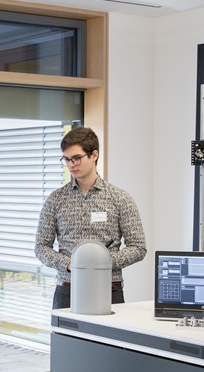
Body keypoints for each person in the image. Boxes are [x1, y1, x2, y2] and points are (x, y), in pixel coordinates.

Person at [34, 126, 146, 310]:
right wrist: (69, 264)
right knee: (66, 340)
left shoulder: (120, 198)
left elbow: (138, 247)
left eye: (77, 158)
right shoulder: (56, 200)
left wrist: (105, 262)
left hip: (110, 290)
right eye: (67, 159)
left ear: (94, 155)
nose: (71, 165)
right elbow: (40, 247)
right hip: (67, 291)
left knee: (109, 340)